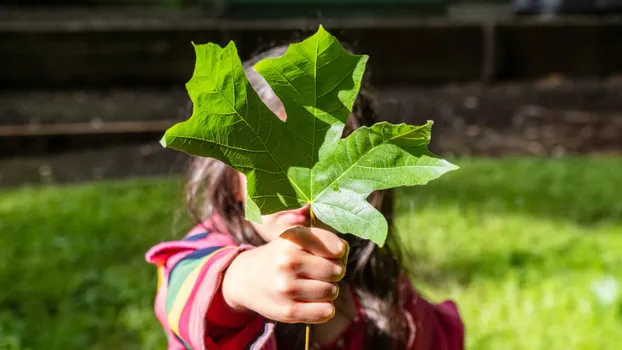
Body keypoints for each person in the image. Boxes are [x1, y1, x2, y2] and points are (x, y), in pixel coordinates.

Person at [146, 45, 464, 350]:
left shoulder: (377, 281)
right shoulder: (205, 252)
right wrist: (238, 282)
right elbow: (184, 292)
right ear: (232, 182)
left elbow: (435, 338)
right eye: (276, 165)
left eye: (325, 166)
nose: (301, 192)